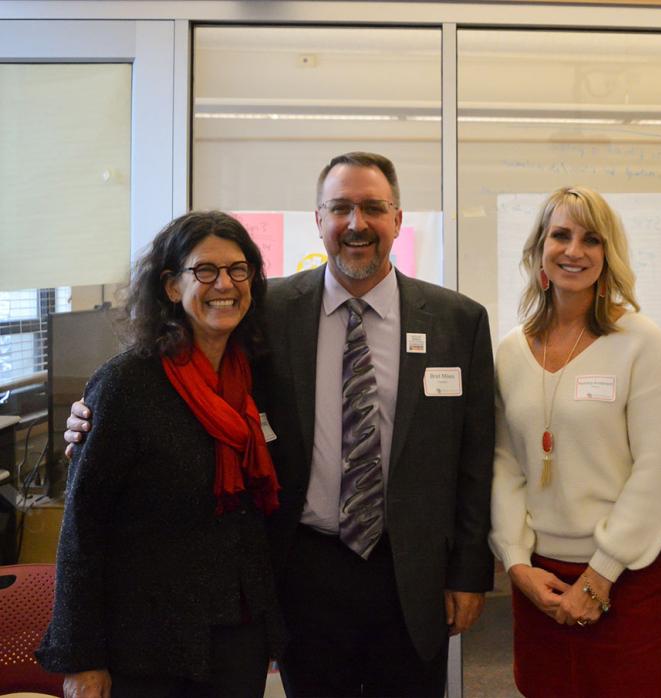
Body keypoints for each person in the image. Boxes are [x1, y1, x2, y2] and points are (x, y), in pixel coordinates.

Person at [65, 152, 496, 696]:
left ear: (398, 219)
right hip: (301, 570)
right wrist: (90, 419)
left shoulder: (459, 321)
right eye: (340, 208)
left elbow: (475, 460)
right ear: (319, 220)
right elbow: (180, 373)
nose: (356, 223)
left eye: (373, 208)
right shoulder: (265, 311)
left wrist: (469, 572)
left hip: (412, 573)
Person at [38, 211, 284, 698]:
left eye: (238, 270)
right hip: (146, 642)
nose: (225, 284)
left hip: (237, 631)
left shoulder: (256, 377)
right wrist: (83, 658)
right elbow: (83, 529)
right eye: (205, 271)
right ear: (172, 286)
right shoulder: (127, 384)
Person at [489, 186, 661, 696]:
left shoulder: (639, 342)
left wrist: (600, 577)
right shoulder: (511, 350)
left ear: (609, 256)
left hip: (629, 576)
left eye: (591, 239)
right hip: (541, 582)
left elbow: (659, 466)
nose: (574, 251)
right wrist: (515, 562)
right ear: (539, 248)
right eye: (560, 235)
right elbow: (504, 463)